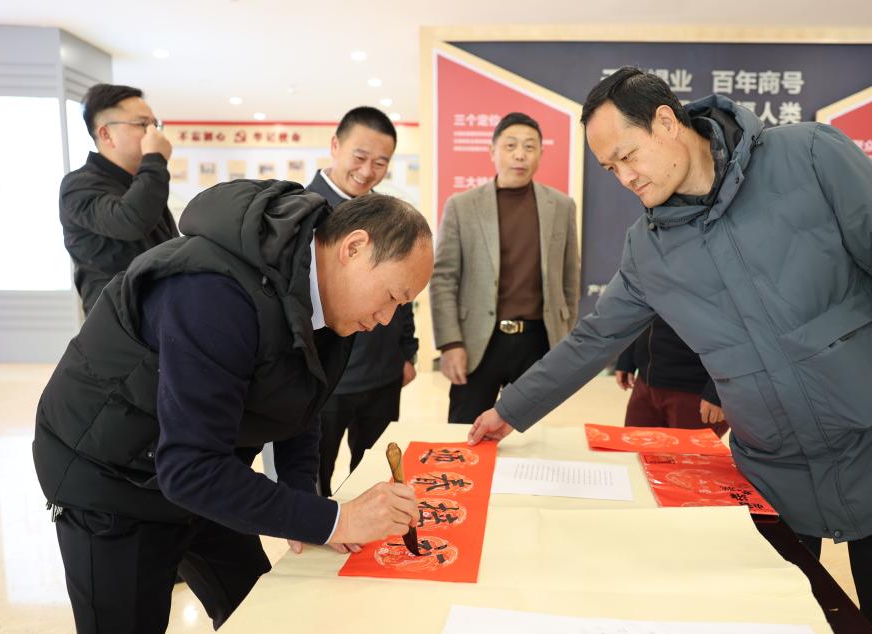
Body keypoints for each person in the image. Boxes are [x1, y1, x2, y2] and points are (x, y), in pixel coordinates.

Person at [468, 67, 872, 634]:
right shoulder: (649, 247)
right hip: (775, 468)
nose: (625, 178)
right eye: (610, 168)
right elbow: (594, 338)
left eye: (628, 156)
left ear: (666, 122)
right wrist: (511, 409)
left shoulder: (810, 158)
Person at [33, 180, 432, 634]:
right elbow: (189, 469)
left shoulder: (329, 301)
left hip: (200, 467)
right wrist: (336, 520)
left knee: (262, 621)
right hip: (110, 480)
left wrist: (303, 507)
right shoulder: (213, 292)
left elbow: (301, 403)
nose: (386, 318)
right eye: (392, 296)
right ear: (354, 248)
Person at [430, 112, 580, 424]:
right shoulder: (462, 206)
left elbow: (569, 278)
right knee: (465, 431)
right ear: (492, 151)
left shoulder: (561, 206)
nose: (520, 154)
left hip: (539, 341)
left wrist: (564, 339)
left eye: (529, 146)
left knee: (531, 434)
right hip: (478, 342)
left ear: (540, 153)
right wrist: (450, 343)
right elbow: (444, 279)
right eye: (510, 145)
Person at [305, 107, 418, 495]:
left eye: (380, 162)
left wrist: (407, 351)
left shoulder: (388, 215)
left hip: (382, 373)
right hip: (323, 378)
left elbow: (403, 292)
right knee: (314, 475)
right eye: (360, 156)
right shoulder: (301, 211)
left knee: (372, 472)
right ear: (335, 146)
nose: (368, 171)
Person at [61, 83, 178, 316]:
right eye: (142, 124)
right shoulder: (79, 186)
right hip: (119, 321)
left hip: (158, 314)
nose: (154, 133)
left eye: (154, 124)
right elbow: (131, 221)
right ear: (106, 134)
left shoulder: (139, 182)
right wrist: (155, 158)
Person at [616, 315, 727, 435]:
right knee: (636, 443)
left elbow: (738, 332)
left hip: (696, 391)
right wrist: (627, 354)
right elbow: (641, 309)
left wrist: (718, 391)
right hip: (646, 383)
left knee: (689, 448)